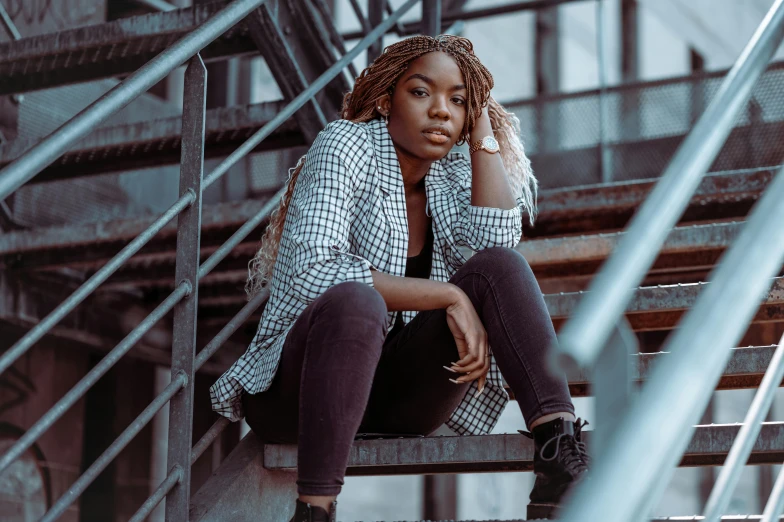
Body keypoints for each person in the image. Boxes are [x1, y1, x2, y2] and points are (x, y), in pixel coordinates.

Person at [210, 34, 589, 522]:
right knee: (357, 301)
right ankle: (315, 511)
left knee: (500, 267)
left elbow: (497, 245)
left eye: (457, 100)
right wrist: (447, 295)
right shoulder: (346, 144)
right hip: (298, 391)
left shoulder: (450, 173)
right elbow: (313, 271)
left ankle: (559, 459)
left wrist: (481, 133)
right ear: (387, 99)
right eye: (421, 92)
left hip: (397, 395)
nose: (440, 111)